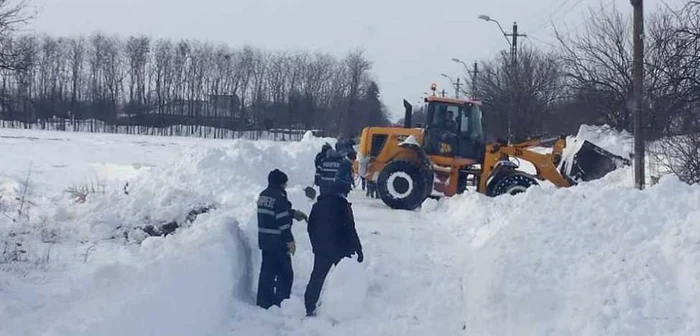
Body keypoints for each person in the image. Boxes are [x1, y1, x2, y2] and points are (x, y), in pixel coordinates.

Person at [303, 182, 364, 316]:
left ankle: (309, 306)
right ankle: (344, 305)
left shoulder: (317, 206)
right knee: (344, 277)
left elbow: (310, 227)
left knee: (317, 277)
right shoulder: (343, 206)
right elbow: (350, 229)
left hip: (322, 249)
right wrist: (358, 249)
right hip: (340, 249)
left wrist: (316, 244)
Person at [256, 169, 308, 309]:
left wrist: (293, 213)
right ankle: (282, 301)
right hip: (278, 241)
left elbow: (274, 213)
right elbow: (282, 223)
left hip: (265, 240)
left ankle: (264, 301)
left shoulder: (263, 195)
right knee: (285, 273)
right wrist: (290, 241)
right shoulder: (279, 197)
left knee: (267, 271)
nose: (286, 186)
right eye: (284, 183)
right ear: (280, 183)